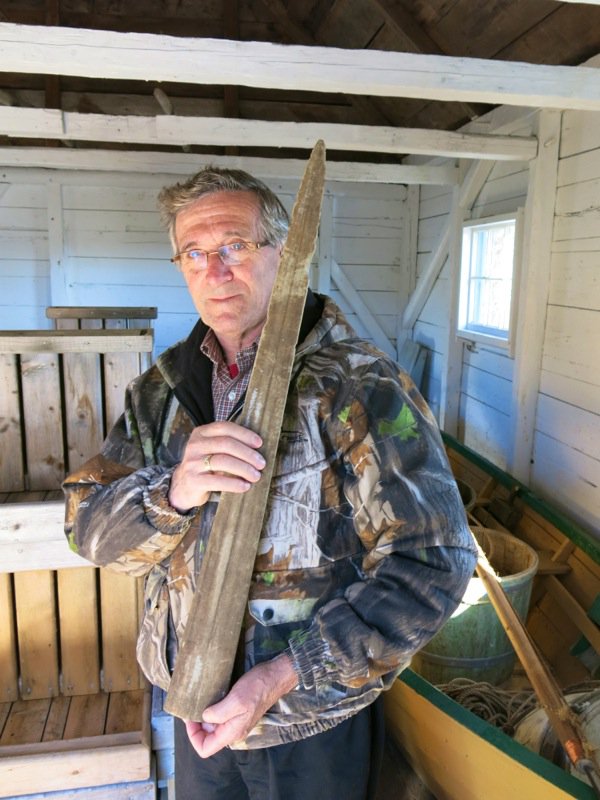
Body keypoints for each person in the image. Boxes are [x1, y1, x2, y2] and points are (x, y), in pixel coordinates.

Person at [63, 166, 477, 800]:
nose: (215, 269)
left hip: (308, 720)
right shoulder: (160, 394)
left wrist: (284, 675)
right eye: (195, 253)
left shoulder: (358, 386)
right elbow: (89, 533)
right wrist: (170, 493)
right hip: (194, 709)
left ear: (286, 254)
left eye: (235, 245)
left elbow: (435, 562)